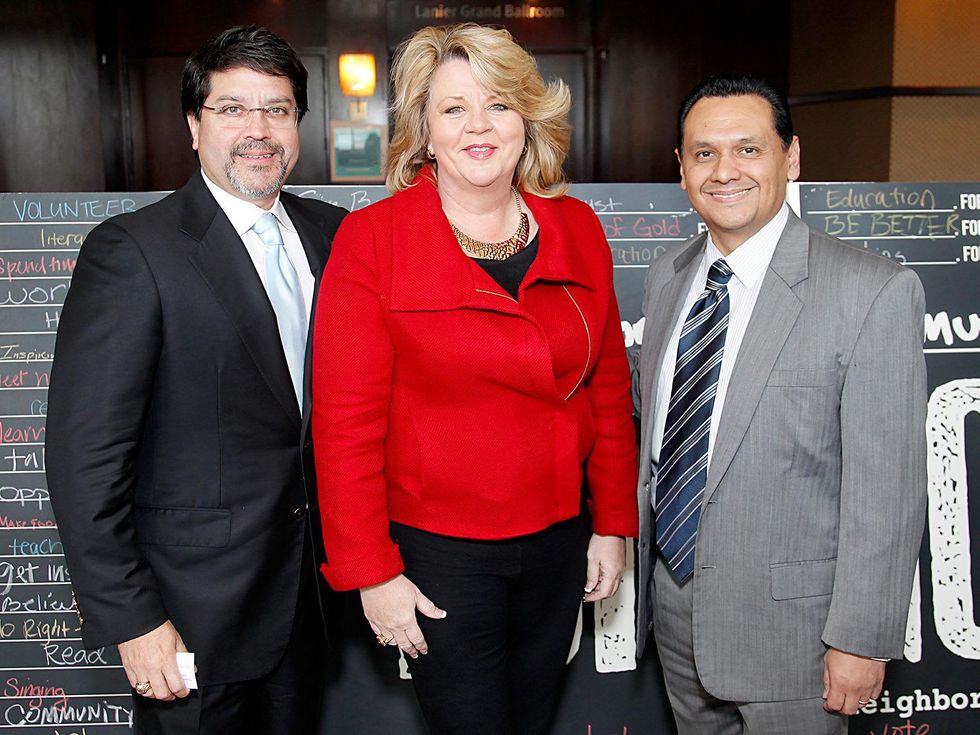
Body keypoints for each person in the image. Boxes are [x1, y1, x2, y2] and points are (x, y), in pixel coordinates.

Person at [311, 23, 638, 735]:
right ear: (425, 131)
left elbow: (609, 390)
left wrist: (612, 522)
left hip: (557, 542)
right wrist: (372, 570)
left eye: (498, 104)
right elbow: (344, 427)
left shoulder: (577, 227)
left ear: (528, 118)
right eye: (454, 108)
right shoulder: (373, 242)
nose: (478, 126)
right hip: (438, 555)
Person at [45, 25, 346, 735]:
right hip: (189, 620)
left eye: (276, 109)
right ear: (193, 124)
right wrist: (134, 617)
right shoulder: (132, 252)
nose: (258, 129)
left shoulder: (336, 237)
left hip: (312, 606)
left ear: (298, 123)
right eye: (232, 108)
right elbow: (85, 460)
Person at [633, 73, 927, 734]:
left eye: (749, 149)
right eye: (704, 153)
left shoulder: (871, 291)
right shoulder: (667, 277)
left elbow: (888, 490)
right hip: (677, 619)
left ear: (791, 159)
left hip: (799, 637)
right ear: (681, 170)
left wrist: (860, 637)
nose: (724, 170)